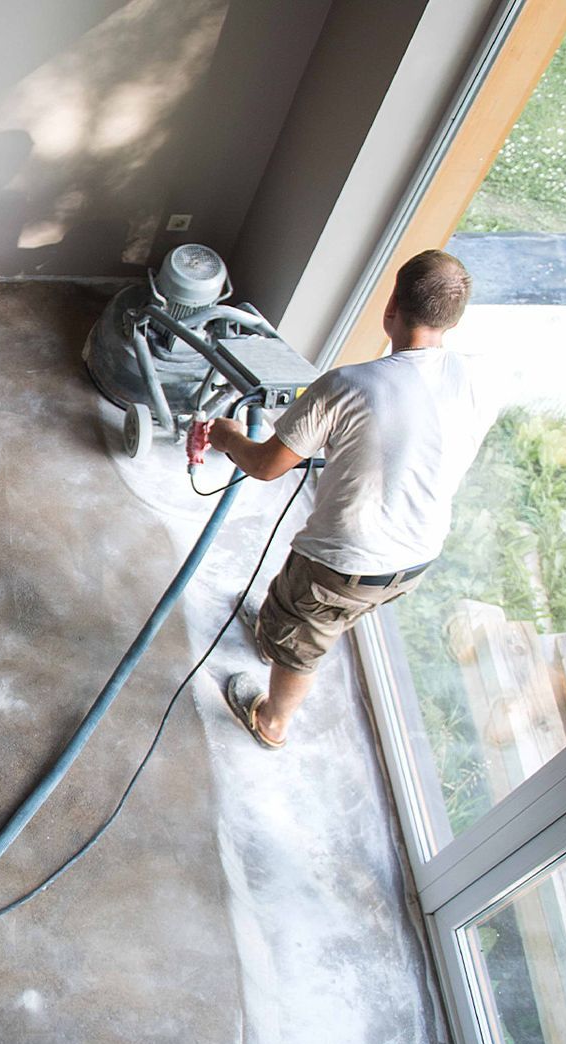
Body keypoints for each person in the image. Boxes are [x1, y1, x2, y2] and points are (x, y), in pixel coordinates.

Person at [207, 249, 485, 749]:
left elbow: (267, 465)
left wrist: (227, 437)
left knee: (304, 641)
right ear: (453, 321)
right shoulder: (475, 380)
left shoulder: (349, 384)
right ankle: (275, 633)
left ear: (391, 307)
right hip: (417, 556)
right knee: (315, 610)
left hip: (343, 562)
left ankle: (272, 721)